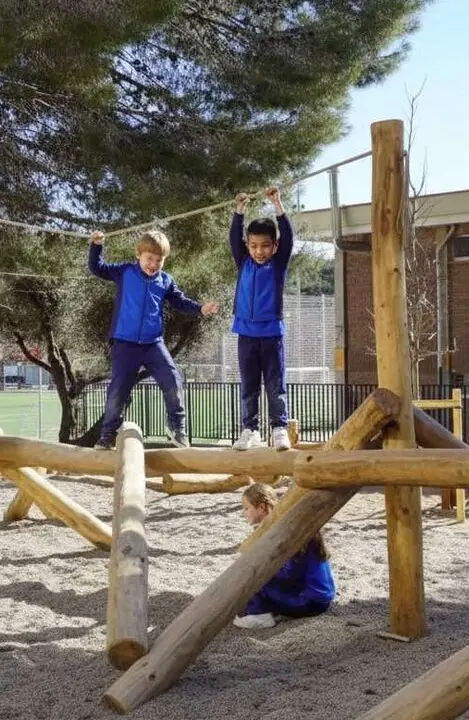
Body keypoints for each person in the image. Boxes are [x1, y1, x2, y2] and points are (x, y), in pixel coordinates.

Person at [87, 229, 219, 450]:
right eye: (150, 259)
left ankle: (177, 429)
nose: (154, 264)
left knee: (172, 380)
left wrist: (200, 309)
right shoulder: (124, 272)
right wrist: (96, 246)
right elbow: (97, 267)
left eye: (159, 260)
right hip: (125, 343)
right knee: (118, 389)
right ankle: (108, 433)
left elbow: (180, 301)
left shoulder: (165, 281)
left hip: (152, 343)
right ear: (138, 255)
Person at [229, 187, 295, 451]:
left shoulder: (278, 265)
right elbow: (235, 236)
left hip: (271, 333)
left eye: (265, 246)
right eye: (254, 246)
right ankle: (250, 429)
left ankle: (279, 428)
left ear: (274, 246)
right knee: (249, 386)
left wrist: (277, 203)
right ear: (248, 246)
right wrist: (239, 210)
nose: (259, 251)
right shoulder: (243, 261)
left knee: (275, 384)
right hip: (246, 333)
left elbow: (288, 236)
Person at [232, 482, 336, 629]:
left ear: (262, 507)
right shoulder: (289, 525)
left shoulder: (288, 534)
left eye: (246, 508)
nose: (244, 512)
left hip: (311, 601)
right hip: (320, 597)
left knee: (252, 582)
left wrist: (260, 573)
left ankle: (259, 615)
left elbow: (290, 574)